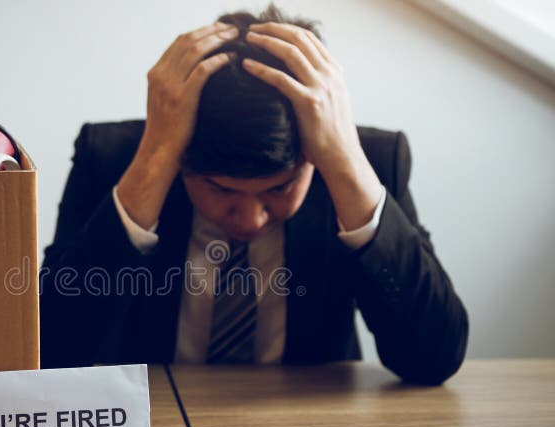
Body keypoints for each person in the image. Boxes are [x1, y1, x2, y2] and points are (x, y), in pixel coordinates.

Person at [39, 5, 468, 384]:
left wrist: (346, 164)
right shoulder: (114, 159)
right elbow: (47, 355)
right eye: (220, 189)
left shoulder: (366, 165)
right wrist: (156, 156)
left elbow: (433, 360)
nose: (250, 219)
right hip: (156, 422)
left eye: (280, 187)